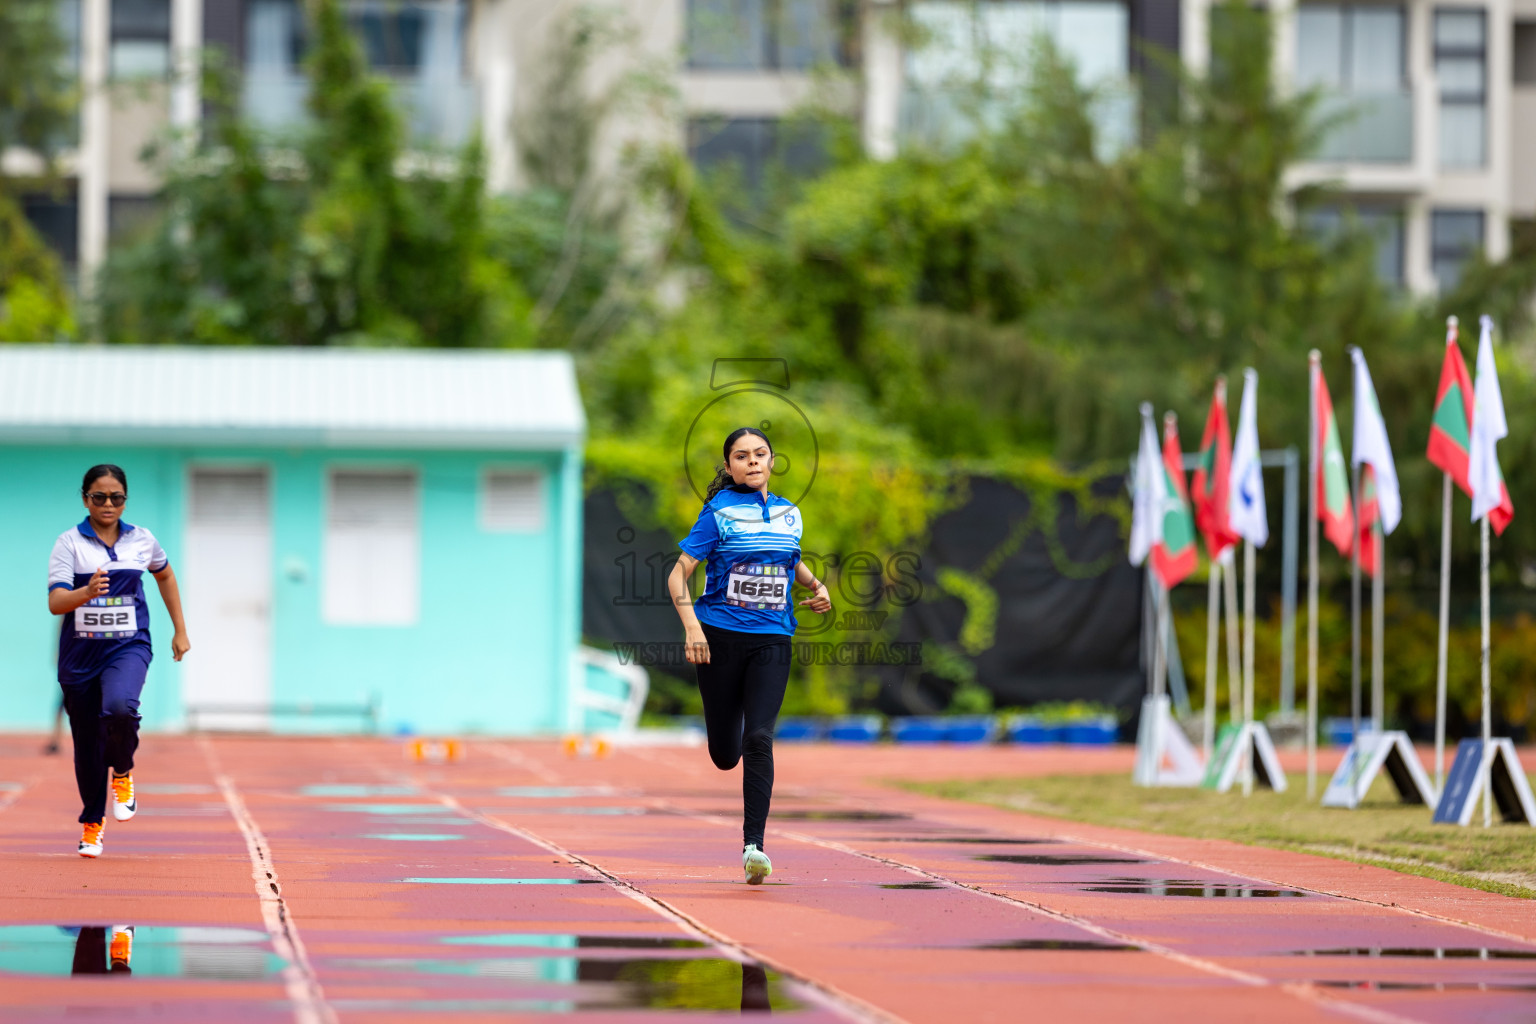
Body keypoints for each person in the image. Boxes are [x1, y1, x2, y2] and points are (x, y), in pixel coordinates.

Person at [667, 428, 831, 884]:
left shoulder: (789, 514)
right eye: (742, 456)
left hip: (772, 638)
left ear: (773, 461)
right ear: (729, 467)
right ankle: (727, 719)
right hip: (718, 639)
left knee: (759, 738)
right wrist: (693, 629)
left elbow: (789, 560)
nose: (752, 462)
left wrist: (816, 586)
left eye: (760, 454)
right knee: (725, 754)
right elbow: (677, 576)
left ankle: (753, 848)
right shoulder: (717, 514)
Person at [48, 464, 190, 858]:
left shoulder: (142, 540)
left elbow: (164, 575)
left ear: (125, 500)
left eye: (116, 497)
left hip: (128, 646)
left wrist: (179, 629)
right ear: (85, 499)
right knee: (87, 746)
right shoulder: (69, 544)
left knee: (120, 709)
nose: (108, 504)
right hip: (80, 656)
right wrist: (86, 592)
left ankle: (123, 771)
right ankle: (93, 823)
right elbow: (55, 602)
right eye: (99, 497)